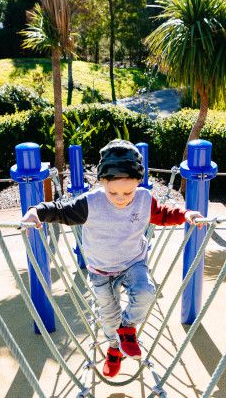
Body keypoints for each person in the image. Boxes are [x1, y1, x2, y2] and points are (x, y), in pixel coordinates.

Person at [21, 140, 204, 377]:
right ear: (102, 182)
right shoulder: (90, 203)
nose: (120, 197)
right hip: (100, 270)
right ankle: (115, 348)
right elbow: (61, 210)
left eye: (128, 192)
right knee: (108, 316)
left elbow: (164, 214)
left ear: (139, 182)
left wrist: (186, 214)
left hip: (133, 262)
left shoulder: (144, 199)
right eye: (113, 191)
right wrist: (37, 211)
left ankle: (128, 329)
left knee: (146, 291)